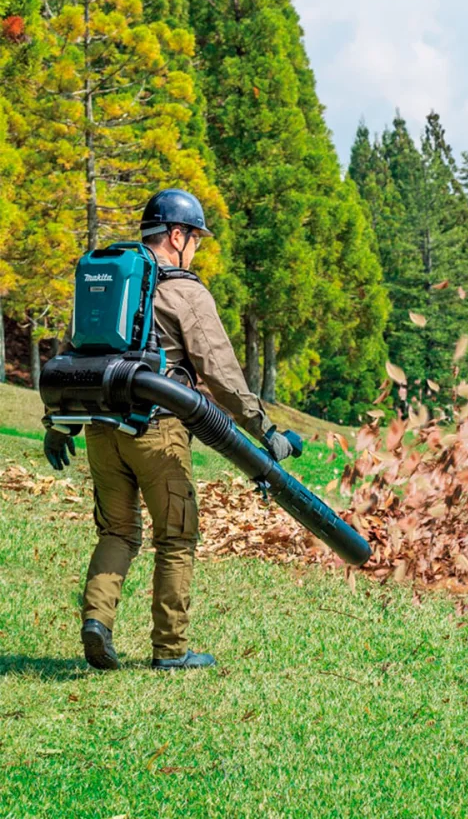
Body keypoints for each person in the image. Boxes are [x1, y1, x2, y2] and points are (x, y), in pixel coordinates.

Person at [43, 189, 299, 671]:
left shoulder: (110, 283)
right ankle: (170, 649)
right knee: (176, 538)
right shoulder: (185, 291)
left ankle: (97, 622)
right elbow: (220, 371)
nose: (197, 248)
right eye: (196, 239)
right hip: (157, 431)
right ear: (177, 235)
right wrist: (265, 429)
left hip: (101, 428)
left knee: (117, 531)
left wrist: (58, 427)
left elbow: (75, 358)